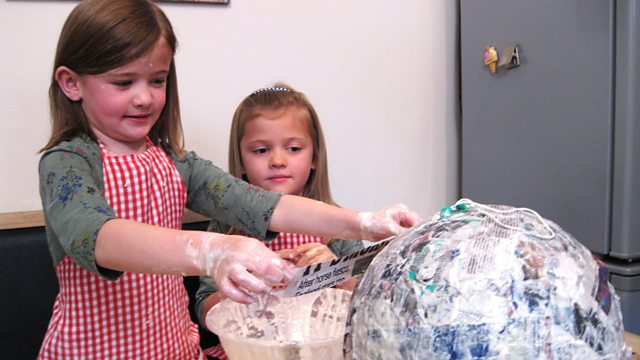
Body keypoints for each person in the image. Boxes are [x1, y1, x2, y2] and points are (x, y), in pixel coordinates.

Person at [37, 0, 421, 359]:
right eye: (124, 83)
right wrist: (212, 250)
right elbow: (98, 236)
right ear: (71, 83)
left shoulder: (177, 163)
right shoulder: (66, 164)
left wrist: (361, 222)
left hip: (178, 350)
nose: (145, 98)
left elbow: (260, 204)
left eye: (157, 80)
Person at [195, 83, 364, 359]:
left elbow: (365, 303)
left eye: (294, 148)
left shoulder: (336, 227)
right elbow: (204, 310)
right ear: (240, 161)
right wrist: (244, 282)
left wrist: (333, 271)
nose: (277, 160)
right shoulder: (226, 228)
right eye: (261, 150)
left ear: (314, 159)